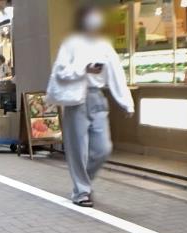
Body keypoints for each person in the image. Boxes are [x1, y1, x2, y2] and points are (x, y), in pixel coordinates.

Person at [46, 4, 134, 207]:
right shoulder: (71, 43)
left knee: (103, 149)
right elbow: (60, 71)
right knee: (78, 149)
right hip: (76, 99)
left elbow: (117, 74)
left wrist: (126, 102)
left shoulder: (104, 45)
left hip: (97, 97)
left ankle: (83, 183)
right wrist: (83, 68)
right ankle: (81, 192)